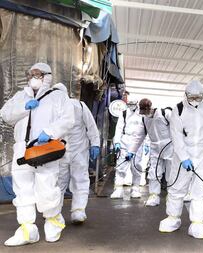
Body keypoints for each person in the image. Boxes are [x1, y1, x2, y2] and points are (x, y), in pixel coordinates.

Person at [0, 63, 75, 246]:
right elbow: (5, 114)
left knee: (47, 188)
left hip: (45, 149)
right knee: (22, 190)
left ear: (47, 76)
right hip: (22, 150)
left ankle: (54, 223)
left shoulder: (58, 97)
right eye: (31, 74)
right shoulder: (20, 96)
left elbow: (68, 119)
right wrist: (24, 107)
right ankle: (27, 230)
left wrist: (50, 132)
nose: (33, 77)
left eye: (38, 74)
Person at [159, 80, 203, 239]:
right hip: (184, 154)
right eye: (192, 97)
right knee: (177, 187)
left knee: (200, 190)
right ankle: (173, 218)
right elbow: (176, 135)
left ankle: (197, 223)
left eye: (198, 97)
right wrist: (184, 158)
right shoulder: (179, 109)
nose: (195, 100)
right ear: (186, 95)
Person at [53, 83, 100, 224]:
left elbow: (91, 126)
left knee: (80, 180)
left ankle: (78, 211)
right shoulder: (51, 109)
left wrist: (95, 144)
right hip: (59, 151)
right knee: (57, 182)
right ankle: (54, 212)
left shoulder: (79, 106)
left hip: (79, 150)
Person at [130, 98, 172, 207]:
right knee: (154, 172)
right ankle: (154, 196)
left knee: (171, 173)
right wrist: (132, 151)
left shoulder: (165, 113)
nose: (144, 114)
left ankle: (172, 196)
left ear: (150, 108)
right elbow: (139, 136)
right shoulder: (144, 120)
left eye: (145, 111)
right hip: (155, 149)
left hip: (170, 147)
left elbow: (178, 128)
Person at [111, 100, 143, 199]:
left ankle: (135, 189)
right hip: (125, 141)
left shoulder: (142, 114)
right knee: (121, 166)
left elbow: (145, 129)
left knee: (136, 166)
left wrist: (146, 143)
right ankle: (118, 189)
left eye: (133, 104)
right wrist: (117, 142)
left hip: (138, 142)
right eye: (129, 104)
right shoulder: (124, 113)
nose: (131, 106)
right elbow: (119, 128)